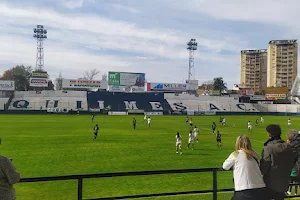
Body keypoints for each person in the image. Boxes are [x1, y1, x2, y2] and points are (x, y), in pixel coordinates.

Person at [223, 135, 266, 200]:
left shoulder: (236, 154)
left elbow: (225, 166)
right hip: (260, 188)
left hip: (244, 189)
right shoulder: (254, 154)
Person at [260, 124, 297, 200]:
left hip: (270, 184)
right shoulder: (288, 147)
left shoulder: (269, 148)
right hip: (283, 183)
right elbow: (292, 162)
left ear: (269, 134)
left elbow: (264, 168)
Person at [286, 130, 300, 196]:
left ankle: (291, 191)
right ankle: (293, 192)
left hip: (295, 171)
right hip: (295, 171)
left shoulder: (291, 148)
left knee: (292, 180)